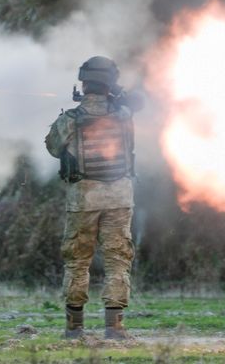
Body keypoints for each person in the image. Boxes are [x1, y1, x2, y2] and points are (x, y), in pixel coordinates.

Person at [44, 56, 143, 340]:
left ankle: (74, 329)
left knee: (77, 261)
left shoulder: (71, 120)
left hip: (84, 199)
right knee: (118, 260)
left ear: (84, 83)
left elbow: (52, 147)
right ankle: (115, 327)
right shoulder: (125, 115)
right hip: (120, 198)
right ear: (110, 83)